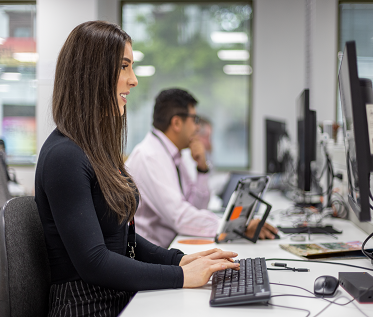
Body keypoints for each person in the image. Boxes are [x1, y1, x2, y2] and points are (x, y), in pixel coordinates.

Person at [35, 21, 239, 316]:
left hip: (115, 295)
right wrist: (181, 277)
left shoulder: (95, 150)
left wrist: (179, 261)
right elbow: (94, 261)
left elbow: (122, 239)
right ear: (93, 73)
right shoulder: (64, 156)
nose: (133, 80)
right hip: (87, 306)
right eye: (123, 67)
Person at [125, 88, 278, 248]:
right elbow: (181, 218)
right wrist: (237, 226)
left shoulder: (173, 155)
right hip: (151, 257)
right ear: (177, 123)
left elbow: (196, 208)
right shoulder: (150, 156)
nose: (197, 127)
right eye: (195, 119)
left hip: (172, 246)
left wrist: (202, 169)